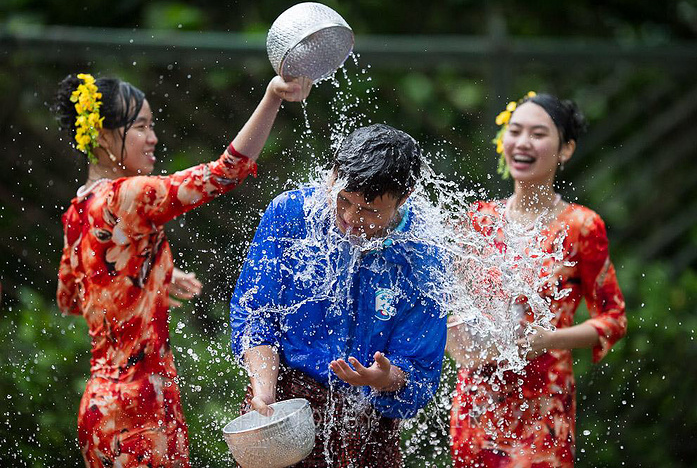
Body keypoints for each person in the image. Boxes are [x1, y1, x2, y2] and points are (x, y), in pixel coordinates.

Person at [54, 72, 311, 467]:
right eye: (140, 126)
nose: (153, 137)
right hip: (142, 409)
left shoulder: (77, 211)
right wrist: (272, 97)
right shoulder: (127, 195)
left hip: (100, 408)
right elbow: (223, 173)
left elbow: (71, 298)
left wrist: (145, 274)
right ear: (104, 137)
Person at [230, 124, 448, 467]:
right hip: (284, 405)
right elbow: (256, 311)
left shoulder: (422, 257)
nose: (349, 219)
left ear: (402, 199)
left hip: (367, 424)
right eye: (343, 201)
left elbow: (421, 372)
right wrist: (264, 392)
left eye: (369, 211)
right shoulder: (292, 215)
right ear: (332, 175)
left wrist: (383, 378)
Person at [447, 93, 627, 467]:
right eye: (515, 131)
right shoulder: (479, 220)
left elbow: (613, 320)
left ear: (566, 149)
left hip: (544, 407)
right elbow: (453, 302)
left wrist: (549, 339)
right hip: (478, 402)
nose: (523, 142)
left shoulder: (581, 226)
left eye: (538, 133)